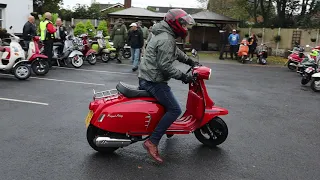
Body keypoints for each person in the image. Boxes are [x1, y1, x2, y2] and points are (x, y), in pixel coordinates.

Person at [138, 9, 198, 163]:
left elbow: (175, 52)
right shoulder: (166, 39)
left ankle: (167, 129)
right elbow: (165, 67)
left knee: (168, 104)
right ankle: (152, 141)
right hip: (154, 80)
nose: (185, 27)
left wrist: (190, 61)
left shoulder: (164, 35)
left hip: (148, 76)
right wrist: (184, 77)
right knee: (175, 109)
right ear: (175, 23)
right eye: (183, 24)